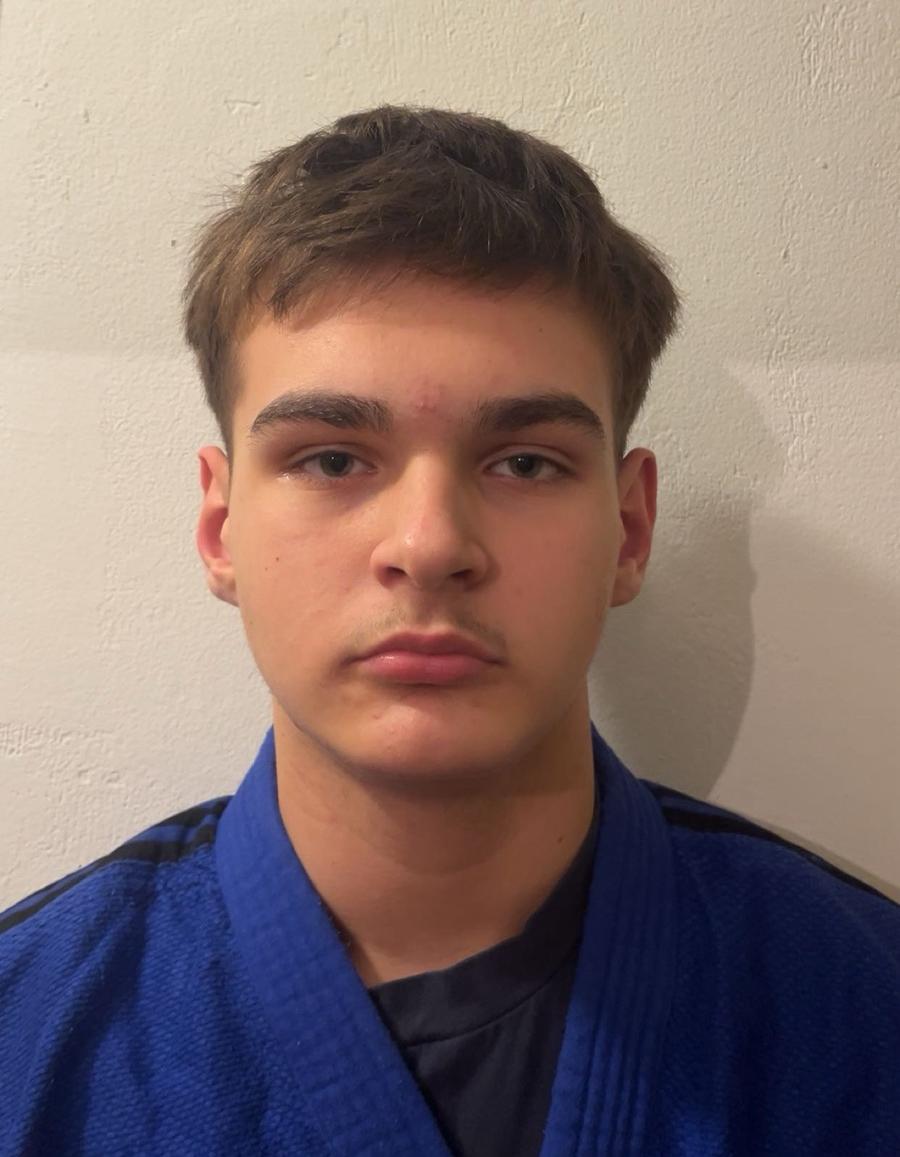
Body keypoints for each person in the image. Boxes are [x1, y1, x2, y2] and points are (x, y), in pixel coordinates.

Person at [1, 104, 898, 1157]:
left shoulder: (865, 1007)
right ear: (219, 526)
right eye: (332, 458)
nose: (429, 545)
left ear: (629, 528)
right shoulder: (27, 1036)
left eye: (525, 462)